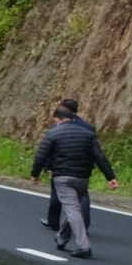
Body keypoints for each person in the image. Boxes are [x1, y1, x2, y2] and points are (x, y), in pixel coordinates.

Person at [32, 104, 118, 258]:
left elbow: (41, 155)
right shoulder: (87, 133)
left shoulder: (53, 133)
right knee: (74, 208)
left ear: (56, 119)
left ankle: (84, 246)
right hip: (82, 178)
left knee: (72, 210)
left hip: (63, 177)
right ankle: (62, 237)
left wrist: (35, 174)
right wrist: (110, 177)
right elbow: (100, 157)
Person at [40, 97, 93, 231]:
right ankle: (84, 224)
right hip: (83, 168)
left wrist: (47, 166)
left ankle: (53, 221)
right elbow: (93, 149)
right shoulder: (88, 127)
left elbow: (48, 149)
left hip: (62, 166)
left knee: (57, 193)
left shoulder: (57, 126)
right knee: (82, 196)